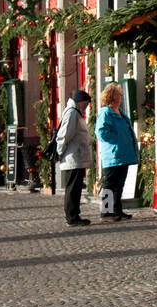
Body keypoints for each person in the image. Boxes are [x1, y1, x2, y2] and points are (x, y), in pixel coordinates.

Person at [94, 83, 138, 222]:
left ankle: (117, 211)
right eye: (119, 94)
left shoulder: (121, 113)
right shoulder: (106, 113)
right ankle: (106, 213)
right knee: (110, 185)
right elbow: (100, 132)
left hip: (123, 155)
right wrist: (116, 141)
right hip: (113, 155)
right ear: (112, 96)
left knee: (119, 184)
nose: (121, 97)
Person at [57, 90, 93, 227]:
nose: (86, 107)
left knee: (75, 187)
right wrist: (59, 152)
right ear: (80, 102)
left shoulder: (75, 112)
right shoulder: (72, 113)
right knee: (72, 188)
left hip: (76, 157)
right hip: (72, 157)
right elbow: (65, 134)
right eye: (86, 104)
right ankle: (72, 217)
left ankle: (74, 215)